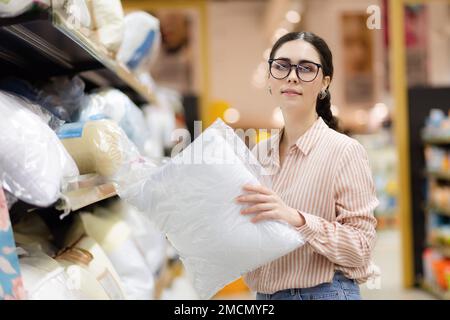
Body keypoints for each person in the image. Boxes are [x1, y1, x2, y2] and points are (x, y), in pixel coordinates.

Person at [235, 31, 379, 300]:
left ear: (325, 82)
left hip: (322, 293)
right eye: (281, 66)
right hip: (264, 295)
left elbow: (362, 247)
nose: (292, 76)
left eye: (306, 68)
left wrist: (296, 219)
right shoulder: (258, 153)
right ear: (269, 78)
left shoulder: (345, 152)